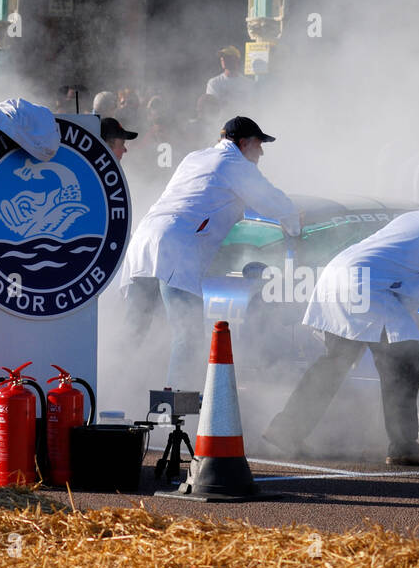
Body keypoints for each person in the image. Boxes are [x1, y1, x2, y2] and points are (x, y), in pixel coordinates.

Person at [264, 176, 419, 467]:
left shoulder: (417, 219)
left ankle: (285, 430)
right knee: (406, 359)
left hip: (336, 276)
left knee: (334, 362)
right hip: (366, 287)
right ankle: (403, 446)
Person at [120, 115, 299, 389]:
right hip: (175, 248)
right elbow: (272, 201)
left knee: (134, 335)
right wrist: (295, 225)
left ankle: (113, 397)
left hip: (143, 244)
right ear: (242, 143)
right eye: (258, 144)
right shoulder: (234, 163)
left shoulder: (196, 157)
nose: (261, 152)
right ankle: (175, 415)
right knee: (188, 336)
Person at [205, 46, 254, 112]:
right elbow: (211, 106)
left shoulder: (248, 83)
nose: (223, 59)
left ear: (236, 60)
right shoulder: (214, 82)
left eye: (227, 57)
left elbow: (252, 106)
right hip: (221, 121)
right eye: (222, 57)